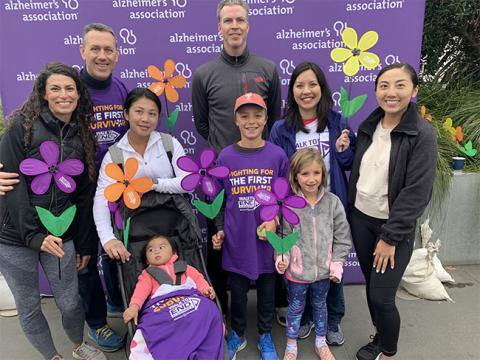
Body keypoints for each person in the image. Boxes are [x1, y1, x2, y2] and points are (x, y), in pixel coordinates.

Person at [0, 22, 127, 352]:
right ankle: (58, 351)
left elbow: (82, 193)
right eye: (55, 89)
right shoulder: (21, 127)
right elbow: (12, 185)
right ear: (43, 92)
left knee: (74, 299)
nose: (63, 95)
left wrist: (83, 241)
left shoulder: (81, 130)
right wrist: (33, 236)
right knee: (31, 306)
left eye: (69, 90)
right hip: (17, 235)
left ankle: (82, 340)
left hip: (72, 224)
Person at [192, 0, 282, 321]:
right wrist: (225, 151)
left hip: (259, 174)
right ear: (218, 27)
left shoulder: (268, 69)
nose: (234, 26)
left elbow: (274, 116)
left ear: (248, 26)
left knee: (269, 237)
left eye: (240, 20)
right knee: (219, 243)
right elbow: (202, 123)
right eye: (227, 20)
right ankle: (222, 312)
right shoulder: (203, 74)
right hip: (220, 174)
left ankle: (276, 307)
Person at [348, 63, 437, 360]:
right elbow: (363, 170)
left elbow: (416, 192)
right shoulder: (368, 126)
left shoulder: (421, 133)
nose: (391, 92)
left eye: (400, 85)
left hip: (392, 228)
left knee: (382, 296)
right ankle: (380, 336)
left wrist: (390, 237)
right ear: (376, 91)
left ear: (414, 90)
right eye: (384, 85)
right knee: (372, 287)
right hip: (361, 218)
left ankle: (387, 352)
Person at [269, 61, 356, 344]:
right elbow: (279, 172)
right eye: (299, 85)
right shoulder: (282, 128)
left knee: (332, 264)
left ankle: (333, 320)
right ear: (291, 91)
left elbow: (347, 162)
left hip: (329, 205)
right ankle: (305, 317)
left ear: (322, 88)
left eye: (312, 84)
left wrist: (343, 150)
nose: (306, 91)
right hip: (297, 210)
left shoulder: (337, 122)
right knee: (301, 262)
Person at [212, 93, 288, 360]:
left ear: (266, 118)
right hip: (237, 239)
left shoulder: (277, 155)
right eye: (244, 116)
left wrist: (276, 218)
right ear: (236, 120)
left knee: (268, 291)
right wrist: (220, 229)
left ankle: (265, 334)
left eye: (257, 115)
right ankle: (239, 333)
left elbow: (285, 198)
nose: (251, 121)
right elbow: (220, 200)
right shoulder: (226, 156)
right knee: (239, 293)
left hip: (268, 241)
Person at [93, 87, 189, 260]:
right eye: (139, 112)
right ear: (126, 114)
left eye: (152, 114)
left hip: (174, 232)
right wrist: (108, 239)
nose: (145, 119)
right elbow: (102, 198)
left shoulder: (169, 144)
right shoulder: (115, 155)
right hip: (134, 236)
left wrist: (152, 184)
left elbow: (187, 184)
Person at [274, 147, 351, 360]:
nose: (311, 179)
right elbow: (283, 240)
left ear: (323, 174)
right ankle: (291, 346)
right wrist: (282, 259)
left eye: (316, 173)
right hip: (297, 273)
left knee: (320, 306)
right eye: (305, 173)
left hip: (325, 273)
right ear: (295, 176)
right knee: (295, 308)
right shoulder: (289, 206)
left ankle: (320, 342)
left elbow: (342, 238)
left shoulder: (333, 203)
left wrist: (336, 265)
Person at [123, 235, 223, 360]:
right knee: (151, 324)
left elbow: (198, 279)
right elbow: (140, 292)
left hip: (189, 299)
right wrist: (134, 307)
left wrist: (205, 289)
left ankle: (209, 337)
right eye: (150, 250)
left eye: (161, 247)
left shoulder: (186, 268)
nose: (156, 251)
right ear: (147, 260)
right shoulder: (147, 275)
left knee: (208, 308)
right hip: (163, 307)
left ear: (173, 253)